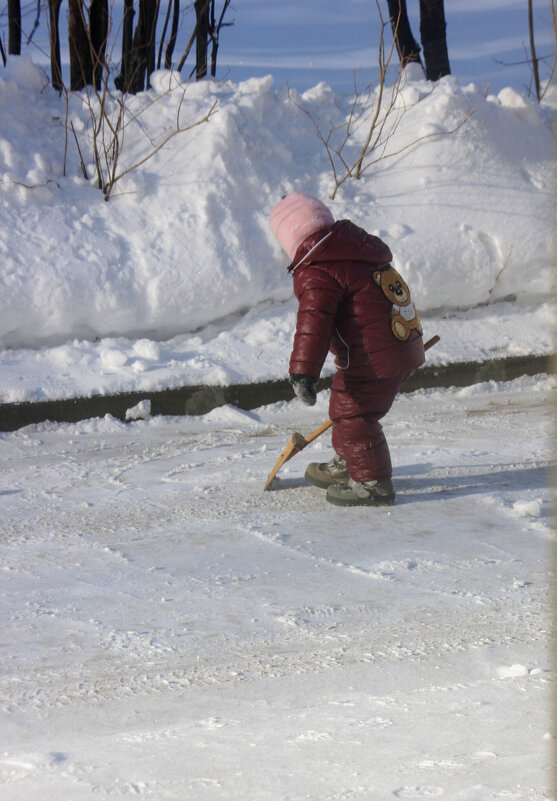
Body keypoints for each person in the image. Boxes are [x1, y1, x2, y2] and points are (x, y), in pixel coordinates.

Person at [269, 192, 425, 507]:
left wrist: (303, 372)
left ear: (290, 237)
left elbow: (313, 324)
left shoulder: (319, 269)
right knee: (343, 404)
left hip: (374, 357)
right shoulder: (357, 252)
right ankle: (348, 462)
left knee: (355, 416)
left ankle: (372, 482)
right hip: (396, 345)